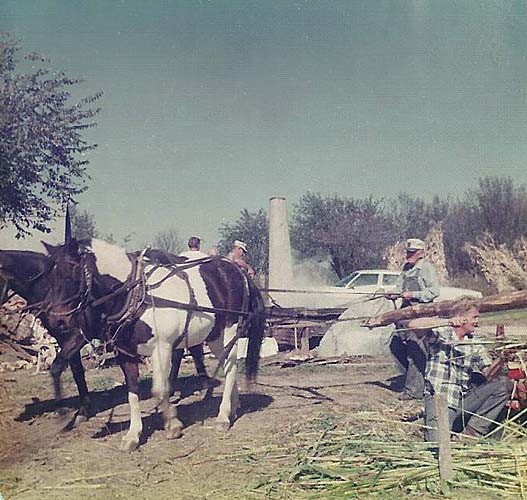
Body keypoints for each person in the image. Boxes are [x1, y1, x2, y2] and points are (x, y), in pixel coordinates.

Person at [406, 305, 512, 441]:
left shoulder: (475, 343)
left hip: (463, 401)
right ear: (462, 319)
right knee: (437, 447)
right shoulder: (442, 334)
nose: (477, 321)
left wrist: (502, 358)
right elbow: (413, 325)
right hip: (440, 399)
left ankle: (472, 433)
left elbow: (489, 375)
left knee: (503, 385)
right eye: (474, 317)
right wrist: (448, 321)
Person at [389, 238, 440, 400]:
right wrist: (393, 293)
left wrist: (414, 295)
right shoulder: (406, 268)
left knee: (414, 348)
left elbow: (434, 291)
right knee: (395, 345)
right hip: (405, 313)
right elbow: (399, 287)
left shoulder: (426, 268)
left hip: (421, 314)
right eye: (408, 252)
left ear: (421, 253)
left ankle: (414, 391)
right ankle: (420, 378)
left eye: (413, 253)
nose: (409, 255)